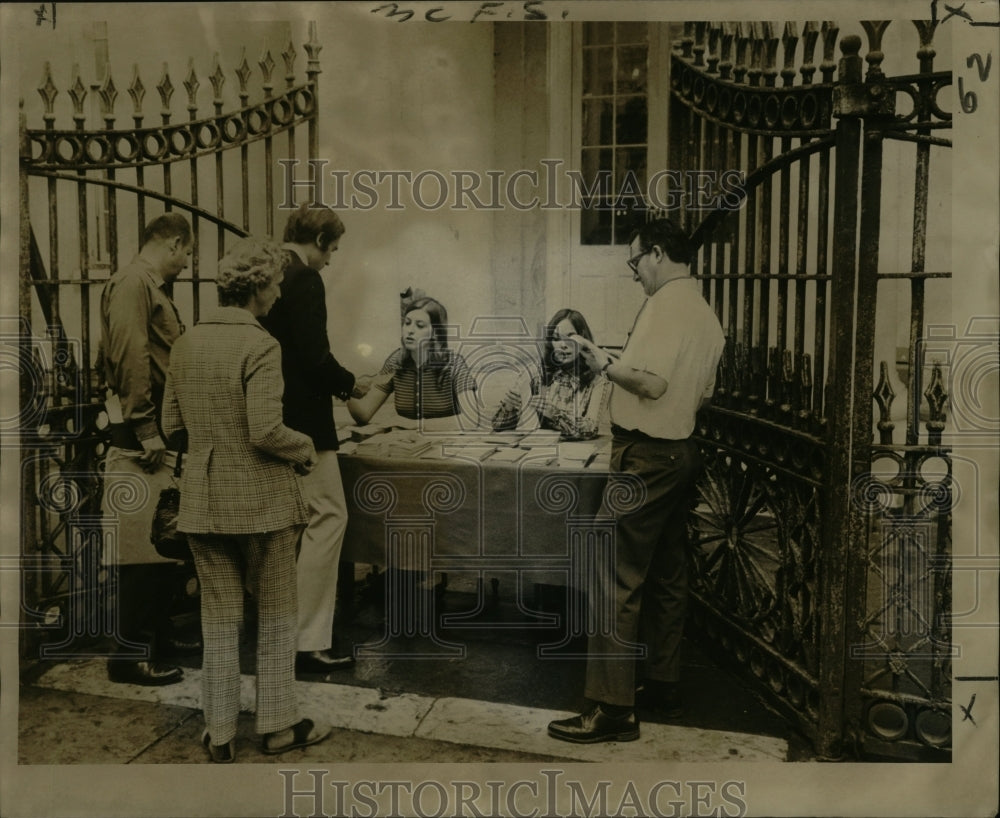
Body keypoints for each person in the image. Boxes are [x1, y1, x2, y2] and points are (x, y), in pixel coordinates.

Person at [547, 218, 724, 743]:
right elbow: (703, 393)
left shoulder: (668, 305)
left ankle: (611, 708)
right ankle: (663, 681)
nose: (633, 274)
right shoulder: (705, 312)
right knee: (667, 572)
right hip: (677, 453)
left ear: (657, 254)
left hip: (644, 456)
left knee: (612, 572)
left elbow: (651, 381)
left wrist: (603, 362)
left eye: (634, 261)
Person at [162, 237, 331, 762]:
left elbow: (171, 426)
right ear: (258, 287)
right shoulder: (261, 345)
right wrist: (305, 449)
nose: (279, 294)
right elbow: (266, 431)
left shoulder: (186, 342)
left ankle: (219, 732)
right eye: (276, 285)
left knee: (218, 620)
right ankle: (279, 727)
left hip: (204, 504)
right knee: (277, 615)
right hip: (263, 506)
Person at [259, 203, 367, 676]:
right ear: (319, 241)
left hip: (267, 419)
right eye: (333, 249)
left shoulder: (268, 272)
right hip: (304, 426)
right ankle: (307, 641)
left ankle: (280, 634)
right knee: (329, 517)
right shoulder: (305, 278)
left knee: (287, 531)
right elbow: (313, 358)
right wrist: (351, 384)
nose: (332, 260)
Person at [99, 212, 195, 686]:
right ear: (175, 243)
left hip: (157, 429)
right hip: (145, 434)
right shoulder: (133, 284)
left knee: (160, 538)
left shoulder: (144, 285)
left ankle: (155, 637)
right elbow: (129, 354)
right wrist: (145, 428)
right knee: (141, 543)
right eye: (187, 253)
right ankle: (130, 653)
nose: (186, 264)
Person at [347, 294, 478, 427]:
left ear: (435, 333)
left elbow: (471, 419)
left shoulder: (453, 364)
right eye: (407, 323)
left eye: (420, 326)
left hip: (446, 444)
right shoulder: (395, 362)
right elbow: (363, 415)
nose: (410, 331)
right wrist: (346, 388)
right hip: (407, 445)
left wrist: (415, 426)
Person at [491, 308, 610, 439]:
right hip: (536, 450)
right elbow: (498, 426)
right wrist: (509, 407)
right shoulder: (535, 373)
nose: (563, 345)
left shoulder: (597, 379)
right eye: (556, 338)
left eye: (570, 337)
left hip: (576, 453)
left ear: (584, 339)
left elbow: (590, 429)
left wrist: (553, 413)